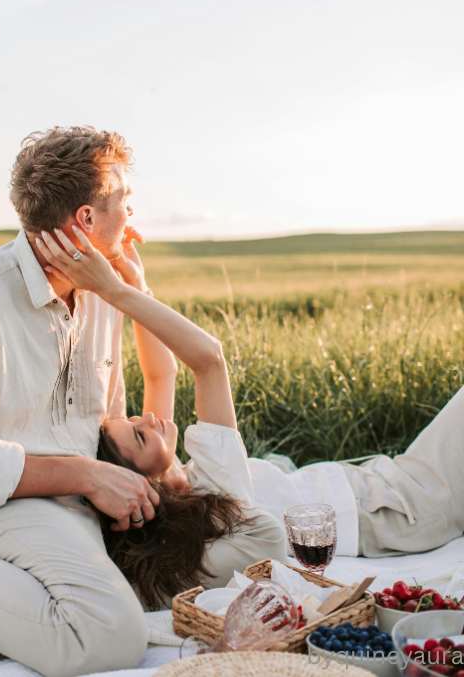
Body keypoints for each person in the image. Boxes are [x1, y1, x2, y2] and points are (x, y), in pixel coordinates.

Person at [0, 126, 284, 677]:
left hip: (78, 514)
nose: (133, 223)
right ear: (86, 221)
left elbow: (109, 418)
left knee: (250, 551)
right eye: (125, 205)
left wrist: (152, 484)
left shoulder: (103, 298)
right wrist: (84, 475)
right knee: (108, 635)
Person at [34, 225, 464, 571]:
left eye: (134, 419)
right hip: (399, 510)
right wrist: (115, 293)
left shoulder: (182, 480)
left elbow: (159, 373)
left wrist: (136, 281)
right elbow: (208, 361)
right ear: (142, 486)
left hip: (382, 488)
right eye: (141, 436)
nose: (148, 420)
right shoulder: (215, 487)